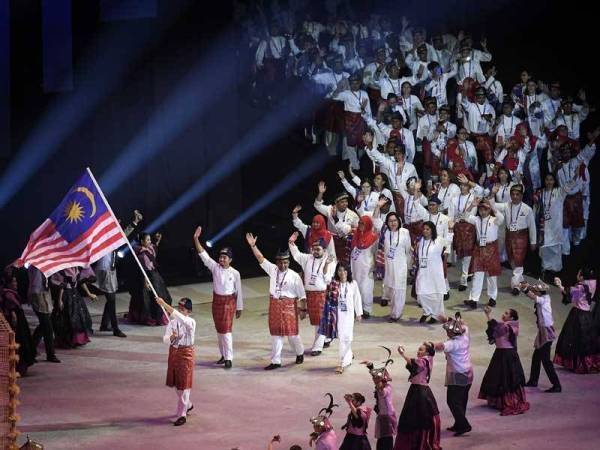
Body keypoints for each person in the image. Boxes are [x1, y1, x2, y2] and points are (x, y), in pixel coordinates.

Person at [246, 233, 306, 370]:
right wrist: (253, 246)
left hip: (289, 306)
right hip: (274, 305)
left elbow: (302, 295)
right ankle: (276, 361)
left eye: (285, 262)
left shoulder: (294, 276)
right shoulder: (273, 269)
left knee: (292, 335)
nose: (282, 264)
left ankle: (300, 352)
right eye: (280, 262)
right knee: (276, 335)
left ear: (289, 262)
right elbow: (260, 258)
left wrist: (303, 310)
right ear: (277, 262)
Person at [194, 227, 243, 369]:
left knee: (226, 331)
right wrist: (196, 239)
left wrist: (239, 307)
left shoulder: (235, 273)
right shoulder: (214, 267)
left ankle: (229, 358)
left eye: (225, 257)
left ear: (230, 259)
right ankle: (223, 355)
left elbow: (238, 291)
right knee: (219, 331)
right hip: (217, 302)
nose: (221, 259)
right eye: (220, 257)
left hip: (229, 303)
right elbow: (203, 254)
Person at [93, 210, 142, 337]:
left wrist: (135, 222)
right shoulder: (102, 238)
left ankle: (105, 324)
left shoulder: (112, 239)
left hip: (111, 269)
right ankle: (115, 328)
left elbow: (124, 235)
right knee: (111, 299)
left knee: (111, 299)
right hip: (105, 270)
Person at [289, 232, 334, 356]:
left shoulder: (329, 260)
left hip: (321, 294)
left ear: (324, 250)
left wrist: (326, 266)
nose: (315, 251)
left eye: (318, 249)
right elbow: (296, 255)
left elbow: (328, 279)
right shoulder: (307, 258)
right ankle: (326, 338)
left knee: (320, 321)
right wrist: (291, 243)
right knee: (315, 321)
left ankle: (317, 347)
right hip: (309, 294)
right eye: (314, 249)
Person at [478, 306, 529, 415]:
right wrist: (488, 316)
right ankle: (498, 402)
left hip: (508, 355)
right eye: (504, 312)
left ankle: (508, 402)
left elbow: (497, 329)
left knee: (507, 379)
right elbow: (495, 328)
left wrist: (488, 316)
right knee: (498, 377)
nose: (503, 314)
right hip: (500, 353)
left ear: (511, 317)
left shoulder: (510, 326)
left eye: (506, 313)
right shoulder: (504, 325)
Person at [394, 343, 441, 450]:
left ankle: (416, 444)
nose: (418, 351)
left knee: (416, 418)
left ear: (427, 352)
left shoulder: (423, 360)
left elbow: (414, 363)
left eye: (421, 350)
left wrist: (402, 354)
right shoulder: (429, 358)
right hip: (421, 390)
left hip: (419, 392)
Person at [157, 297, 195, 426]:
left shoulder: (191, 322)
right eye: (179, 307)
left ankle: (182, 415)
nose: (180, 309)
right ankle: (188, 404)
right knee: (177, 387)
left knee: (184, 386)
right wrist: (171, 337)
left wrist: (164, 304)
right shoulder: (172, 323)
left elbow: (182, 319)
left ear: (188, 311)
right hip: (173, 353)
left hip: (186, 354)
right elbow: (165, 340)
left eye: (182, 308)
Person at [434, 312, 473, 436]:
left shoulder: (452, 344)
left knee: (452, 401)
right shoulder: (465, 333)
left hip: (458, 374)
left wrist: (428, 344)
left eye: (448, 331)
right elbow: (463, 324)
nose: (447, 333)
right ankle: (459, 423)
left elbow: (439, 347)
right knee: (462, 400)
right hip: (468, 372)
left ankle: (464, 425)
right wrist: (446, 320)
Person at [319, 262, 363, 374]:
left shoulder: (353, 283)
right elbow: (324, 276)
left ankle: (343, 362)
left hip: (349, 316)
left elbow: (357, 298)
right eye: (339, 270)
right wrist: (326, 264)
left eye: (344, 270)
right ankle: (349, 355)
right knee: (343, 338)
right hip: (337, 316)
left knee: (346, 338)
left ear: (348, 271)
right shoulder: (334, 283)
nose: (342, 273)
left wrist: (358, 313)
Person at [554, 270, 600, 373]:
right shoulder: (593, 283)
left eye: (579, 274)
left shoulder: (581, 287)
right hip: (587, 315)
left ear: (582, 277)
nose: (577, 275)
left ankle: (577, 365)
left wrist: (559, 285)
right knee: (586, 341)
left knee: (574, 340)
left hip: (578, 315)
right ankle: (587, 363)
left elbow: (570, 296)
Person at [520, 281, 562, 392]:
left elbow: (533, 296)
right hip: (543, 331)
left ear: (539, 292)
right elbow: (533, 291)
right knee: (536, 357)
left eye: (536, 289)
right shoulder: (544, 296)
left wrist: (525, 289)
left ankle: (556, 385)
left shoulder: (543, 299)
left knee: (546, 361)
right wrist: (527, 286)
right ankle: (533, 380)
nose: (534, 290)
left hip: (546, 332)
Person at [494, 184, 536, 295]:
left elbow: (532, 226)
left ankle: (515, 286)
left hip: (521, 238)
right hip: (509, 236)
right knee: (513, 261)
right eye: (513, 194)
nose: (515, 196)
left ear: (522, 195)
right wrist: (492, 193)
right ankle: (521, 281)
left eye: (517, 194)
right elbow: (492, 205)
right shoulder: (506, 205)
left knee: (518, 262)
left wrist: (533, 241)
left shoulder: (527, 209)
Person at [463, 197, 504, 308]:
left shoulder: (494, 220)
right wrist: (472, 205)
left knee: (492, 275)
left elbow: (501, 218)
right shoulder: (476, 219)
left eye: (485, 209)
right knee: (477, 274)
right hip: (479, 248)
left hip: (491, 249)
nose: (482, 211)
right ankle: (474, 299)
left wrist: (493, 207)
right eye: (480, 209)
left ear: (489, 210)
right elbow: (465, 216)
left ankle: (492, 298)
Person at [373, 209, 411, 321]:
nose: (393, 223)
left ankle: (396, 314)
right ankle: (394, 311)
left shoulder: (405, 232)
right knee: (391, 291)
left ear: (399, 221)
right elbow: (375, 219)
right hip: (389, 267)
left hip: (400, 266)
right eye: (390, 221)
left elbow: (408, 250)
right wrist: (377, 206)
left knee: (399, 290)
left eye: (395, 220)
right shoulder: (385, 232)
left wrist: (407, 265)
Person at [128, 232, 172, 325]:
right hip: (147, 276)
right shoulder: (140, 253)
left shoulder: (150, 248)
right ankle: (151, 318)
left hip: (155, 275)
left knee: (163, 295)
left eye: (150, 239)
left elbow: (154, 247)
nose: (149, 241)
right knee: (148, 299)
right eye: (147, 240)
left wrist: (158, 240)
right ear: (142, 241)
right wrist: (145, 281)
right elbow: (142, 269)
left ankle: (161, 316)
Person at [314, 182, 360, 265]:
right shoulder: (329, 210)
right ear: (336, 203)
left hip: (345, 243)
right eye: (342, 202)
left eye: (346, 201)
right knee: (331, 263)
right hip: (331, 241)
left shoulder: (353, 215)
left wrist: (351, 233)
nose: (345, 204)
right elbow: (317, 205)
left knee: (344, 265)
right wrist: (321, 193)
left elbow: (357, 229)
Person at [1, 269, 36, 375]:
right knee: (18, 342)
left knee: (22, 341)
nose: (16, 284)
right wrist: (13, 313)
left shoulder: (10, 293)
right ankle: (16, 366)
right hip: (14, 322)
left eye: (16, 282)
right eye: (14, 282)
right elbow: (9, 308)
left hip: (20, 320)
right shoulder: (8, 294)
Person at [50, 267, 95, 348]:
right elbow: (62, 286)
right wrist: (60, 300)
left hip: (75, 294)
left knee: (79, 317)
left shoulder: (76, 268)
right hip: (66, 296)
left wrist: (89, 293)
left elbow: (81, 282)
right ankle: (66, 340)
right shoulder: (62, 269)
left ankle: (78, 340)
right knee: (66, 318)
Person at [362, 348, 396, 450]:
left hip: (387, 416)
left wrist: (378, 384)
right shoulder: (380, 384)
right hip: (382, 414)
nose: (374, 380)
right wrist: (370, 366)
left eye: (377, 379)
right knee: (382, 438)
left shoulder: (387, 388)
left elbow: (382, 393)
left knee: (386, 438)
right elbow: (376, 376)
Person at [414, 221, 446, 324]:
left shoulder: (438, 240)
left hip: (435, 271)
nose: (425, 231)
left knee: (436, 294)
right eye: (424, 229)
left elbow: (448, 242)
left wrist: (450, 231)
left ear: (432, 230)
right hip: (423, 271)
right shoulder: (420, 241)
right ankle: (427, 311)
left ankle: (436, 315)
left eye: (428, 229)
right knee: (421, 292)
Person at [27, 265, 60, 363]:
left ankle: (30, 352)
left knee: (42, 327)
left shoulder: (41, 266)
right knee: (47, 328)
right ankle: (50, 354)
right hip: (39, 298)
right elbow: (35, 286)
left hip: (43, 297)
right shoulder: (36, 267)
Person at [350, 216, 379, 318]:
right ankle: (357, 308)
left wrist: (375, 266)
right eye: (360, 223)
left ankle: (366, 309)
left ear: (368, 224)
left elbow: (376, 253)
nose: (360, 225)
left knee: (366, 289)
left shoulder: (374, 237)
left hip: (367, 267)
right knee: (355, 287)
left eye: (363, 223)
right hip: (355, 267)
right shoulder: (355, 235)